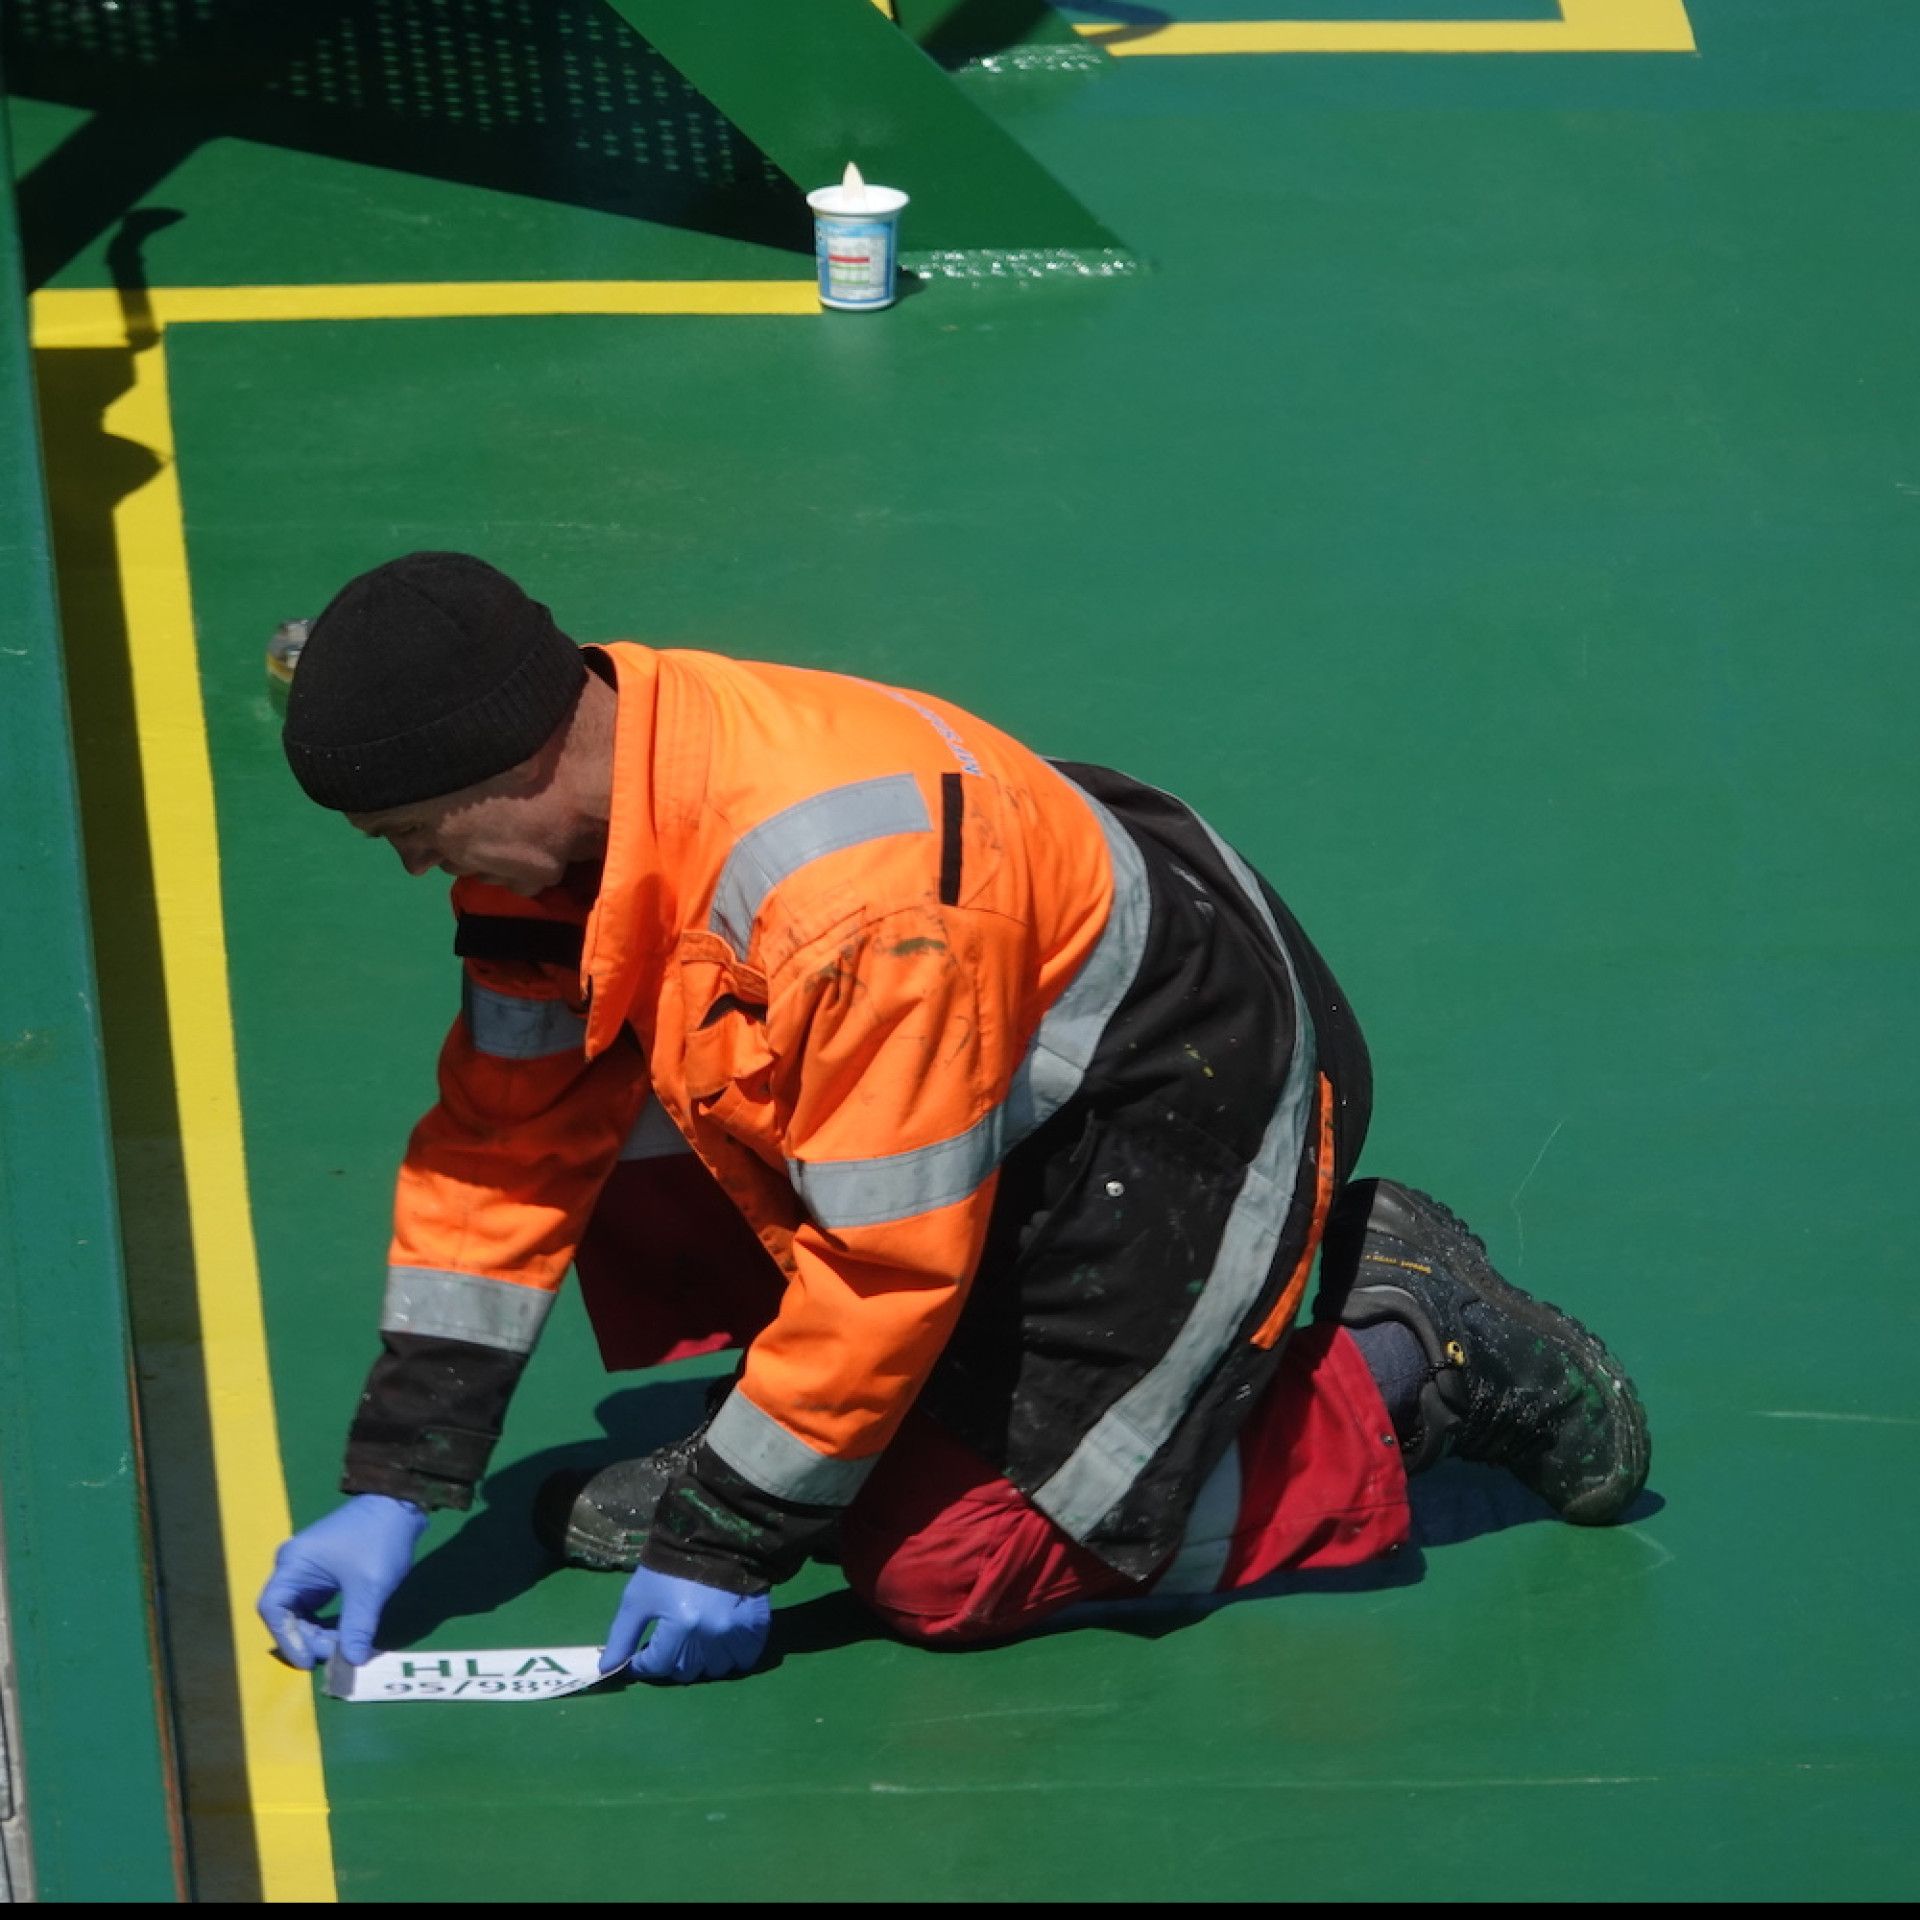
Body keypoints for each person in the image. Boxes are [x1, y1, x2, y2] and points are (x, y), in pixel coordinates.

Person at [258, 552, 1649, 1687]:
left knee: (946, 1564)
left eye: (417, 835)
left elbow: (888, 1263)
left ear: (515, 766)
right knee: (620, 1111)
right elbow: (503, 1147)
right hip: (957, 1086)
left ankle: (1407, 1345)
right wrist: (401, 1479)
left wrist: (727, 1541)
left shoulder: (852, 900)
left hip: (1163, 1108)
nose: (415, 868)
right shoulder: (579, 802)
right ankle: (808, 1439)